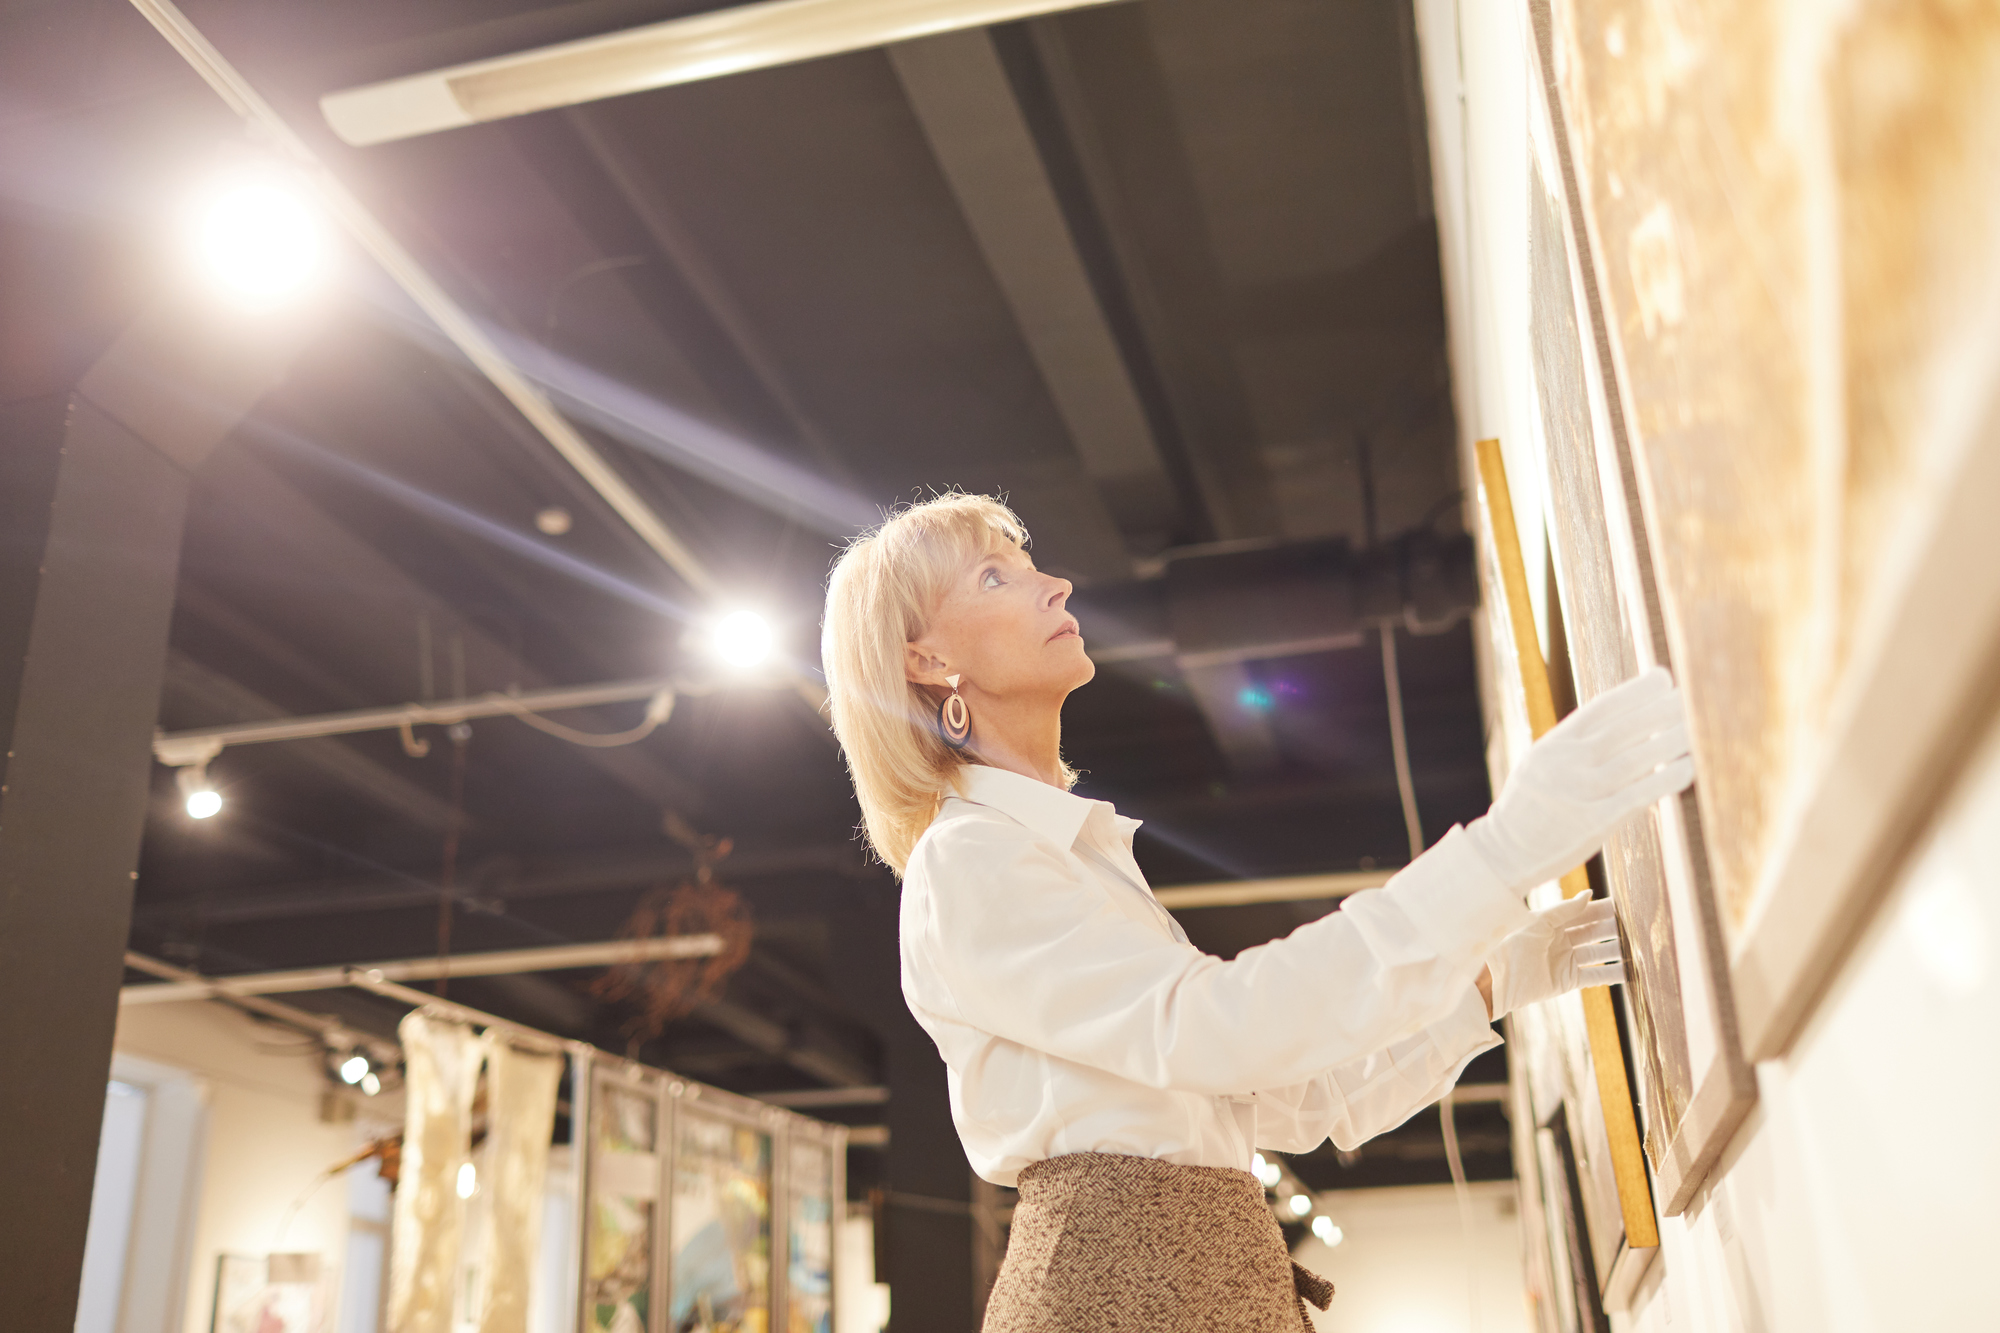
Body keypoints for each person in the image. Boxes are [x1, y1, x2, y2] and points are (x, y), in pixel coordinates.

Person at [820, 493, 1692, 1332]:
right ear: (927, 660)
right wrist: (1501, 853)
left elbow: (1297, 1100)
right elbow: (1214, 1028)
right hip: (1118, 1292)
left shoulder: (1064, 854)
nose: (1056, 585)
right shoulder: (972, 858)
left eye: (1031, 563)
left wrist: (1495, 976)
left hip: (1203, 1277)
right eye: (994, 578)